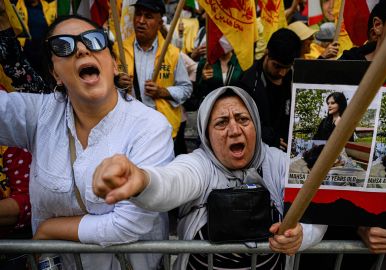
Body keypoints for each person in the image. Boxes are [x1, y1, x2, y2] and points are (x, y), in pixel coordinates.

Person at [0, 13, 174, 269]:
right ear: (55, 73)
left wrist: (49, 231)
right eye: (63, 46)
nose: (81, 49)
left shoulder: (150, 125)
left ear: (114, 64)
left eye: (93, 40)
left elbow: (127, 224)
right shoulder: (39, 115)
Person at [92, 86, 328, 270]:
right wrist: (142, 181)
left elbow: (317, 211)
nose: (234, 130)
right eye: (222, 123)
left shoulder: (278, 162)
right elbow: (171, 182)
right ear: (206, 136)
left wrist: (301, 236)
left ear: (255, 124)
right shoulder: (200, 164)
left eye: (243, 119)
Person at [116, 0, 192, 140]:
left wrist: (163, 91)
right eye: (138, 14)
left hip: (161, 130)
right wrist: (116, 83)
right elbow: (105, 86)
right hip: (127, 129)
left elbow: (186, 89)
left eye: (148, 16)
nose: (141, 21)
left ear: (160, 23)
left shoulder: (172, 54)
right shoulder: (118, 50)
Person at [238, 28, 301, 151]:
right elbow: (243, 121)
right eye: (277, 66)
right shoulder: (248, 83)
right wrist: (270, 138)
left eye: (287, 67)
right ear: (267, 52)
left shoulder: (295, 77)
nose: (282, 73)